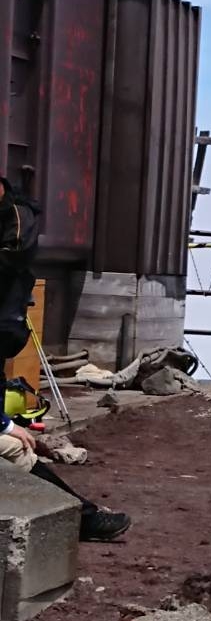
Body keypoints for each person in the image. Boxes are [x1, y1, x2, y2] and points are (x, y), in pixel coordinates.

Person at [0, 175, 130, 542]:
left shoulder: (17, 217)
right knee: (14, 448)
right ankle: (79, 519)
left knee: (14, 442)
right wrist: (8, 427)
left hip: (4, 321)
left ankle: (79, 516)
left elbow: (12, 260)